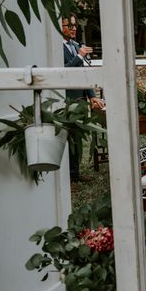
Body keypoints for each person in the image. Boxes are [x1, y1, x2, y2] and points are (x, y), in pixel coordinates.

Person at [62, 14, 104, 183]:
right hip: (65, 101)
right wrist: (79, 56)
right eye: (69, 25)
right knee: (67, 138)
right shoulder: (56, 49)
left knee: (77, 138)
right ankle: (67, 176)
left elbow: (84, 74)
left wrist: (92, 96)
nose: (73, 28)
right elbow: (62, 71)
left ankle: (75, 174)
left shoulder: (76, 45)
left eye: (74, 25)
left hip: (80, 101)